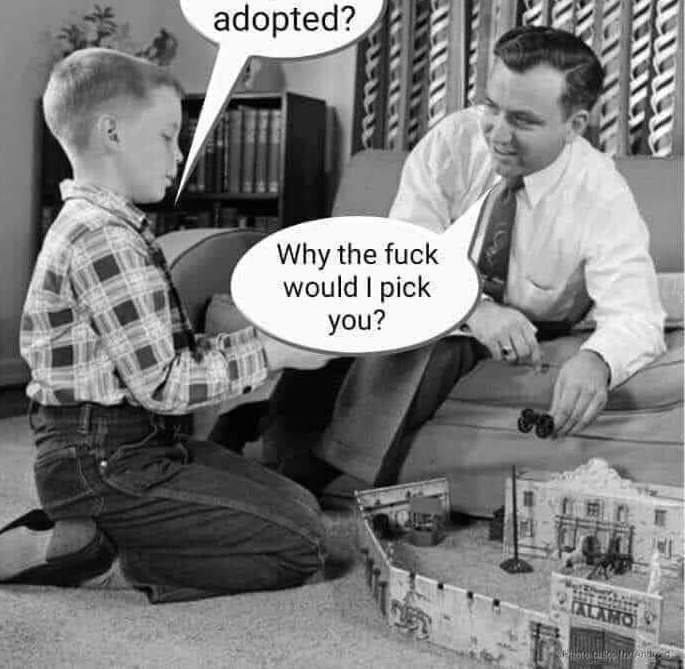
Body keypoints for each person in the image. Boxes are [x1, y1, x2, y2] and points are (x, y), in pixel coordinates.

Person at [0, 48, 333, 603]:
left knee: (300, 505)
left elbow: (169, 355)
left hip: (135, 445)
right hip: (104, 463)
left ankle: (88, 529)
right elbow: (166, 384)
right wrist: (273, 353)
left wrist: (268, 340)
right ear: (112, 132)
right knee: (302, 544)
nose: (180, 153)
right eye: (167, 136)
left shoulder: (109, 228)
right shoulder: (103, 239)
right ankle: (108, 558)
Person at [248, 25, 666, 497]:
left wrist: (598, 360)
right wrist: (474, 309)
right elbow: (406, 258)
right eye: (492, 107)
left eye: (523, 121)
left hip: (528, 326)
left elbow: (637, 315)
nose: (498, 134)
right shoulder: (453, 142)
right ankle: (265, 440)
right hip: (445, 299)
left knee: (436, 347)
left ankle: (305, 475)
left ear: (574, 126)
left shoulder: (602, 193)